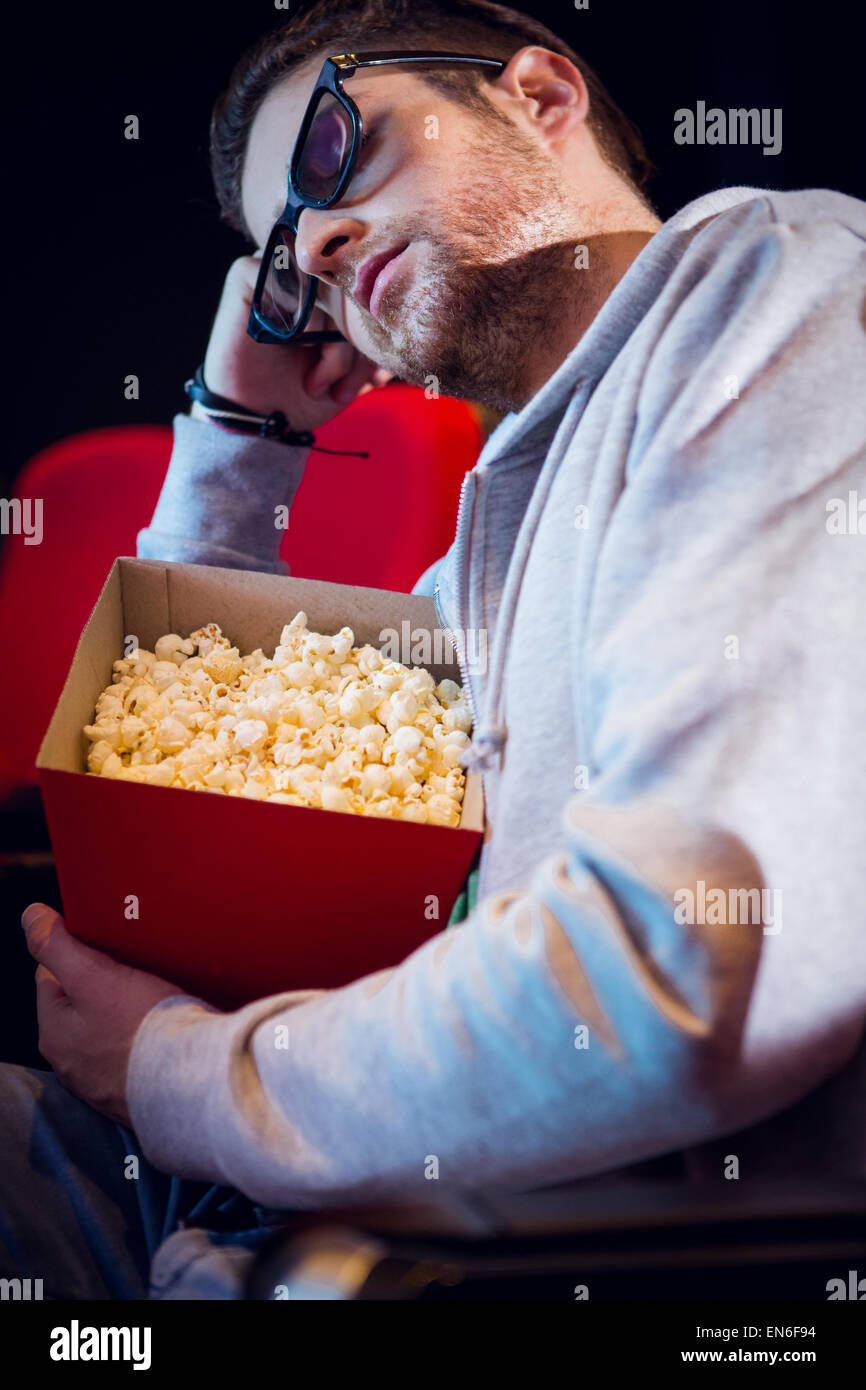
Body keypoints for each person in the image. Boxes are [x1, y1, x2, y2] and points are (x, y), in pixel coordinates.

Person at [5, 0, 866, 1300]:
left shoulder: (771, 284)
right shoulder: (479, 549)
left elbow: (672, 973)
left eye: (333, 152)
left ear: (540, 96)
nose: (322, 241)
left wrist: (175, 1071)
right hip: (289, 1207)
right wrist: (242, 431)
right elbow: (189, 753)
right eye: (287, 257)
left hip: (532, 1259)